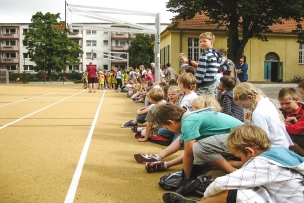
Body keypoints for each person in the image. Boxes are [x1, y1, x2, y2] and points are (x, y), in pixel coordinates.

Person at [163, 125, 304, 203]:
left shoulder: (261, 162)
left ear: (249, 151)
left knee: (232, 192)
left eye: (240, 157)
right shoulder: (279, 151)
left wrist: (206, 197)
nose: (241, 161)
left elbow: (221, 183)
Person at [233, 82, 293, 149]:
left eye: (243, 105)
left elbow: (261, 140)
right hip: (283, 146)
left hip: (273, 149)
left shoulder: (258, 112)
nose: (245, 108)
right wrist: (250, 123)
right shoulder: (268, 103)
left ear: (249, 97)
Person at [195, 32, 227, 97]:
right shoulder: (216, 54)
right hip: (212, 83)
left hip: (203, 86)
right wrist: (215, 71)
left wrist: (196, 85)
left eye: (204, 41)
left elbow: (201, 72)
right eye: (200, 41)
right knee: (210, 103)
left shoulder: (204, 54)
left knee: (199, 104)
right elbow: (227, 64)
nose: (202, 43)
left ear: (211, 42)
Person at [278, 87, 304, 156]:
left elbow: (298, 128)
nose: (284, 106)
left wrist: (283, 125)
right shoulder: (280, 112)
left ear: (296, 100)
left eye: (288, 103)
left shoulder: (302, 111)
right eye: (281, 104)